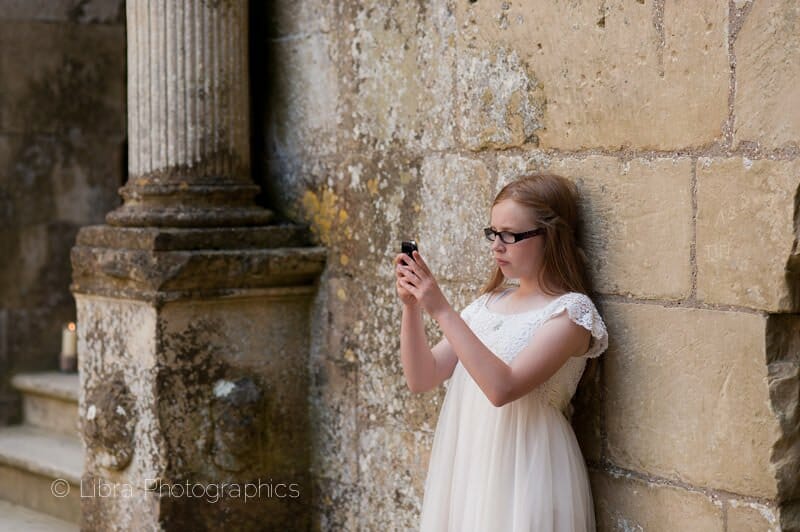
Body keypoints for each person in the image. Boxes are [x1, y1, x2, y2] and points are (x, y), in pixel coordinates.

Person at [393, 174, 609, 531]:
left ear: (549, 237)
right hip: (475, 468)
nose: (497, 246)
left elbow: (502, 388)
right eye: (493, 233)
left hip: (529, 471)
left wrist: (442, 310)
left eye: (510, 235)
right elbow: (422, 377)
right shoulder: (488, 304)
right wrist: (412, 308)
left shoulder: (571, 314)